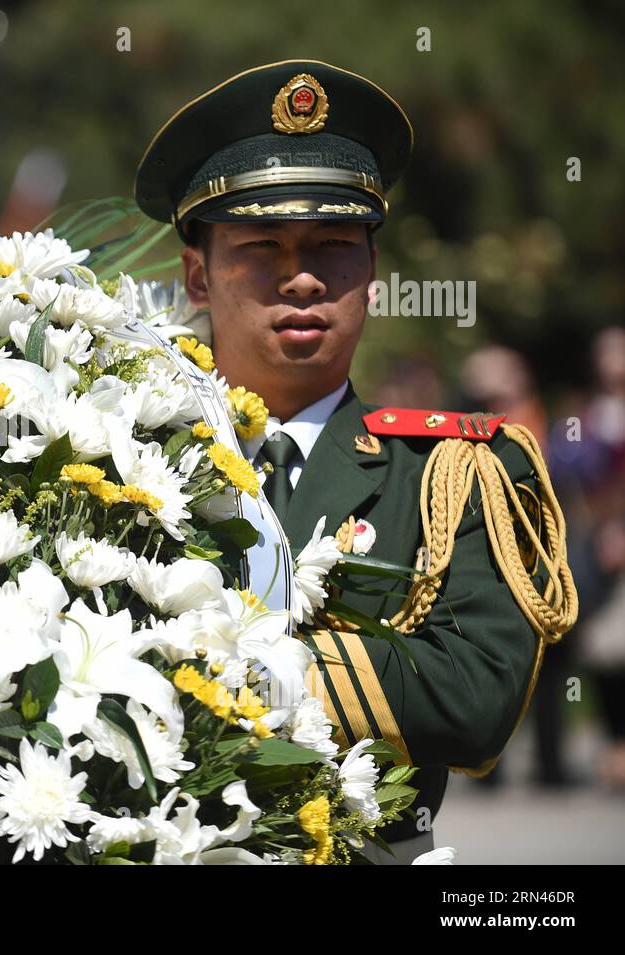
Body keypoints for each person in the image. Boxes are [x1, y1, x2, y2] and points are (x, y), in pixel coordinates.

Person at [134, 60, 578, 863]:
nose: (301, 276)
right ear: (197, 274)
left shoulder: (454, 471)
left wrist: (199, 659)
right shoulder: (118, 457)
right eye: (262, 244)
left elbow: (476, 696)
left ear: (370, 276)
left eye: (334, 245)